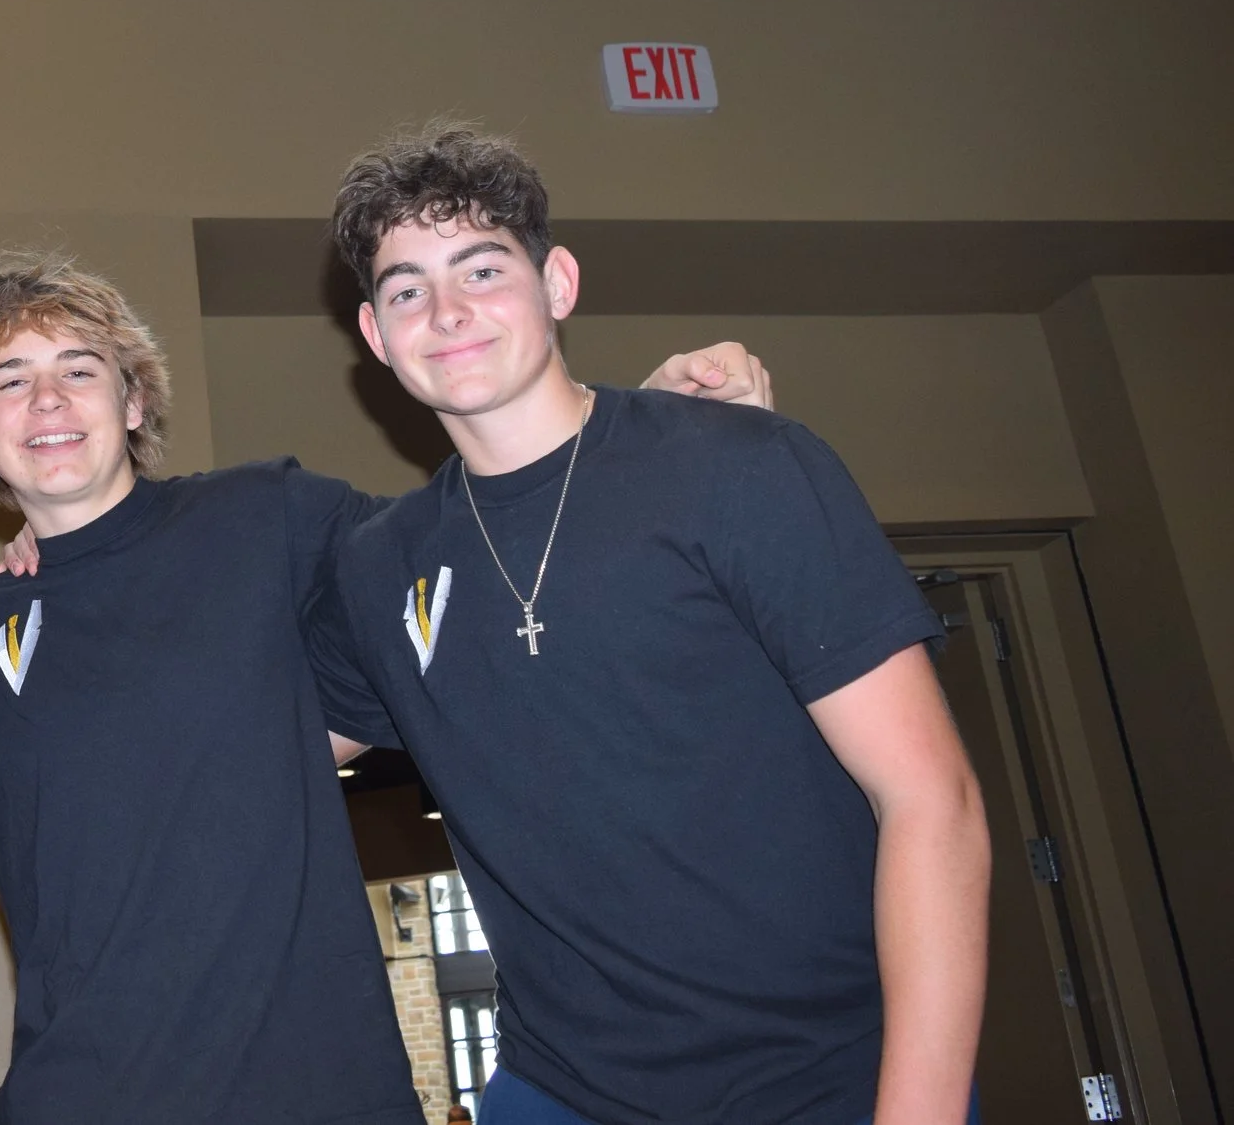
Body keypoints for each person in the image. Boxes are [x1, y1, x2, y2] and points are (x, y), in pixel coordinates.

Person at [0, 256, 768, 1125]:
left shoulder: (263, 516)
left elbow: (478, 554)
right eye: (10, 380)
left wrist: (638, 431)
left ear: (132, 400)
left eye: (79, 369)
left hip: (318, 1087)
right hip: (80, 1096)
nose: (47, 399)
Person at [309, 123, 990, 1125]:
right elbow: (232, 761)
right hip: (561, 1089)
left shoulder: (736, 466)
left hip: (824, 1076)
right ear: (375, 334)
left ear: (557, 283)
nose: (447, 311)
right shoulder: (379, 567)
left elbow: (932, 799)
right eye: (407, 289)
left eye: (482, 269)